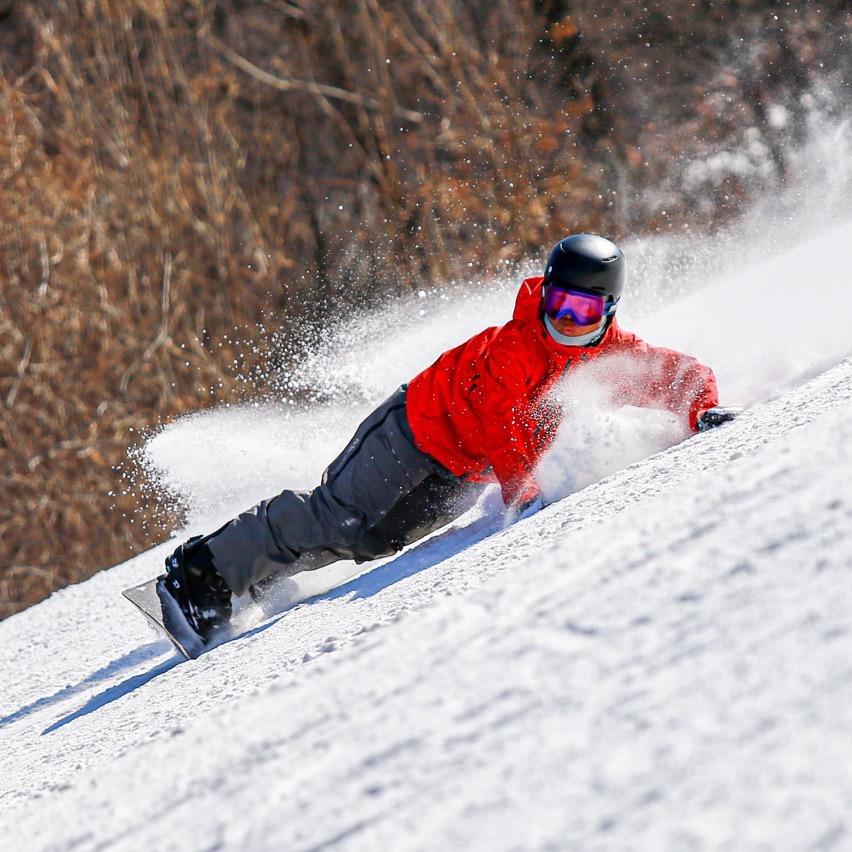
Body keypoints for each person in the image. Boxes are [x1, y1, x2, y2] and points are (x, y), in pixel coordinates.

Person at [160, 234, 737, 645]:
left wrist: (702, 409)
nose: (567, 320)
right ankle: (203, 571)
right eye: (559, 303)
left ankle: (256, 573)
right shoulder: (515, 348)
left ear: (608, 311)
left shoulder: (613, 354)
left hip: (463, 470)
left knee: (372, 541)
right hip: (413, 431)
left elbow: (674, 374)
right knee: (338, 514)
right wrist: (526, 494)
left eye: (583, 310)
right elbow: (505, 426)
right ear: (545, 294)